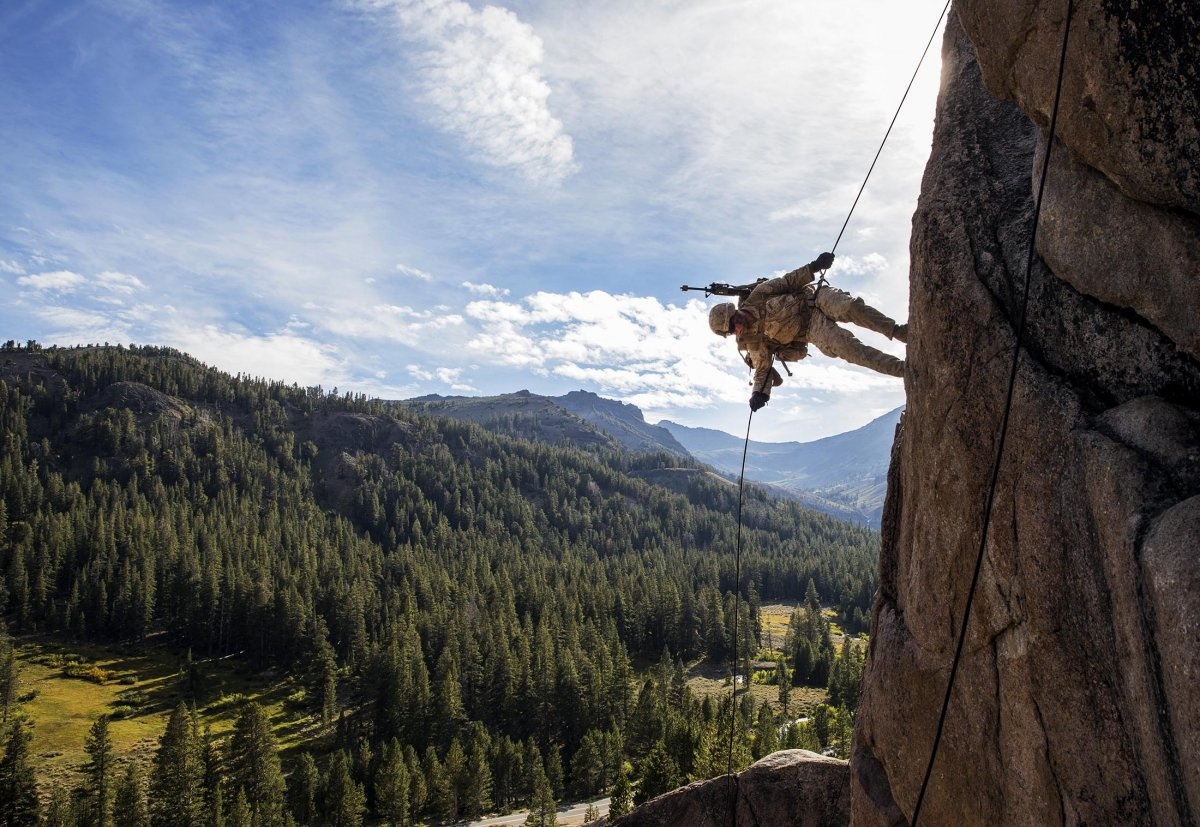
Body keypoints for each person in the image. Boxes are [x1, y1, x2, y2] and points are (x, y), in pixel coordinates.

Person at [708, 252, 907, 411]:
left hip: (813, 298)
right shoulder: (753, 343)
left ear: (733, 313)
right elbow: (762, 370)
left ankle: (899, 332)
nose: (737, 329)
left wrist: (815, 266)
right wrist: (758, 395)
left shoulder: (758, 295)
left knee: (851, 307)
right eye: (732, 330)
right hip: (811, 329)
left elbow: (788, 281)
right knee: (851, 350)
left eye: (734, 324)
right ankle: (904, 369)